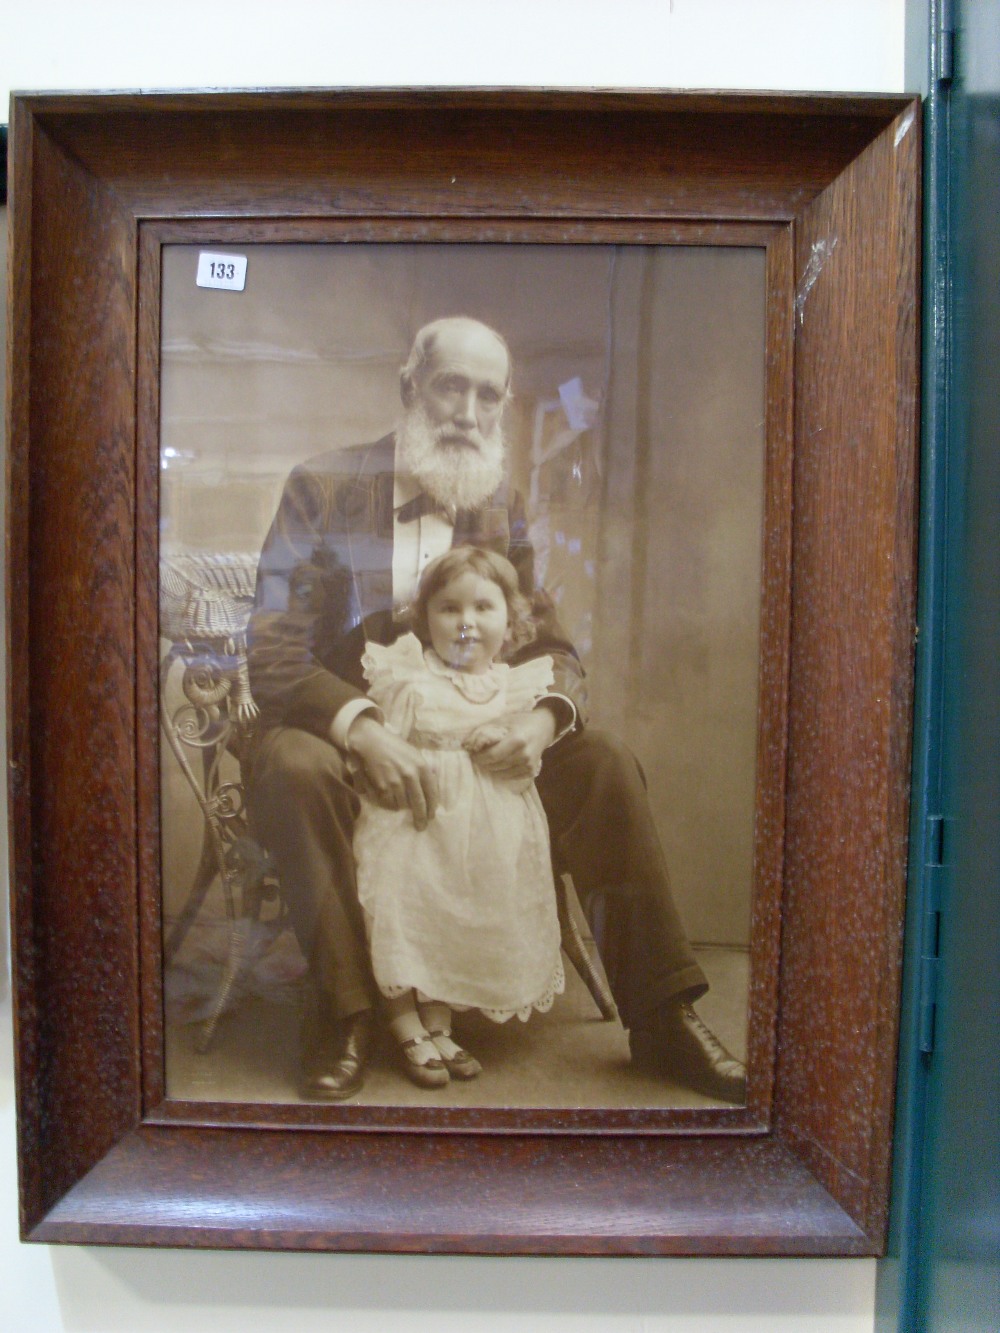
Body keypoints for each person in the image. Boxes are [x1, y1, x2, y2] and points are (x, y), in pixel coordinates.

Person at [245, 314, 746, 1104]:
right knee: (293, 765)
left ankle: (662, 1016)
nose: (468, 412)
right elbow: (273, 655)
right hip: (340, 736)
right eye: (451, 386)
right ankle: (345, 1016)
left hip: (460, 740)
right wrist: (366, 728)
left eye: (489, 394)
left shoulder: (496, 505)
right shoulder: (323, 486)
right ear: (410, 388)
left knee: (604, 759)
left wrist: (540, 720)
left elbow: (550, 647)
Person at [354, 546, 564, 1089]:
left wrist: (502, 743)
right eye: (449, 609)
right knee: (406, 909)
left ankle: (440, 1022)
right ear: (425, 618)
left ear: (511, 621)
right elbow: (382, 755)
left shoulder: (515, 688)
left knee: (452, 919)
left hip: (482, 839)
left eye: (483, 609)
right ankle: (404, 1020)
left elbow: (521, 776)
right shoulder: (409, 676)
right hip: (413, 823)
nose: (466, 622)